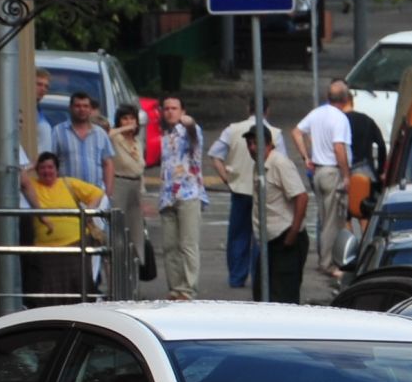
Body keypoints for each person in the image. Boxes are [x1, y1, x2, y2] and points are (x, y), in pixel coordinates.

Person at [210, 102, 282, 290]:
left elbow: (215, 154)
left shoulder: (232, 130)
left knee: (238, 235)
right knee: (261, 235)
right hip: (264, 191)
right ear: (268, 110)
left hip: (239, 189)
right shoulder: (274, 133)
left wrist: (226, 178)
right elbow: (281, 161)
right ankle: (259, 276)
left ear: (247, 109)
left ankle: (236, 276)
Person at [19, 151, 103, 303]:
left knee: (79, 291)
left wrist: (87, 213)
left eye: (50, 167)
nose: (47, 171)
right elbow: (19, 177)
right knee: (51, 295)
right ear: (37, 171)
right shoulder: (32, 185)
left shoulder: (68, 183)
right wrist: (31, 165)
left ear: (57, 170)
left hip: (75, 246)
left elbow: (97, 193)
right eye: (42, 168)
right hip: (46, 252)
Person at [293, 81, 354, 281]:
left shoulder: (317, 113)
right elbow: (339, 148)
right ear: (345, 99)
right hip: (332, 172)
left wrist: (306, 157)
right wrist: (346, 175)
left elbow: (296, 132)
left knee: (323, 217)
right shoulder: (340, 119)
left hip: (318, 171)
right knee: (332, 222)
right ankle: (328, 263)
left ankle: (325, 259)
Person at [247, 127, 309, 304]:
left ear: (268, 145)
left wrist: (292, 233)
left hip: (285, 238)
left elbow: (302, 197)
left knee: (282, 297)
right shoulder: (258, 166)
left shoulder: (280, 163)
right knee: (262, 294)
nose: (252, 148)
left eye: (255, 143)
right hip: (269, 241)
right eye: (249, 144)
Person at [156, 96, 208, 300]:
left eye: (174, 108)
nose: (170, 112)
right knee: (169, 246)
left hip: (188, 193)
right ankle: (175, 287)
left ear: (182, 111)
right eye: (166, 108)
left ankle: (188, 288)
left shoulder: (189, 132)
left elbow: (195, 134)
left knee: (188, 244)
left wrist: (190, 122)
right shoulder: (164, 136)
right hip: (167, 194)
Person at [106, 103, 146, 285]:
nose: (130, 122)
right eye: (125, 118)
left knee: (135, 234)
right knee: (117, 233)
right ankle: (115, 279)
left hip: (136, 187)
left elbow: (140, 167)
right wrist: (122, 128)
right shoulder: (116, 139)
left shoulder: (137, 142)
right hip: (120, 183)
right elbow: (108, 135)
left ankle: (133, 279)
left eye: (132, 118)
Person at [52, 90, 112, 193]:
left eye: (85, 106)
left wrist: (108, 193)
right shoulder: (58, 131)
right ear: (70, 108)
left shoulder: (100, 133)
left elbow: (108, 164)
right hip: (67, 193)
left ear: (90, 109)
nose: (82, 109)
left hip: (95, 195)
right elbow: (50, 162)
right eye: (78, 106)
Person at [34, 69, 55, 158]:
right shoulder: (27, 110)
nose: (43, 89)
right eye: (39, 84)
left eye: (46, 86)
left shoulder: (38, 111)